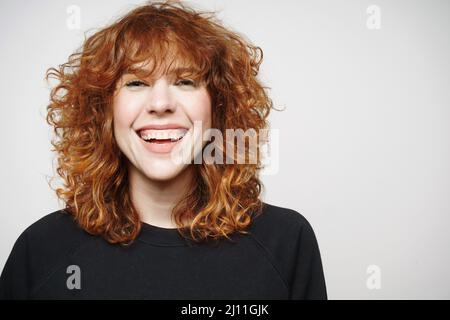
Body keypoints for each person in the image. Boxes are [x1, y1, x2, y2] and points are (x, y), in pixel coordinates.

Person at [0, 0, 327, 299]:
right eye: (136, 82)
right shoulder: (42, 250)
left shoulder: (286, 242)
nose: (160, 104)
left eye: (185, 81)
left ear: (218, 107)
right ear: (104, 110)